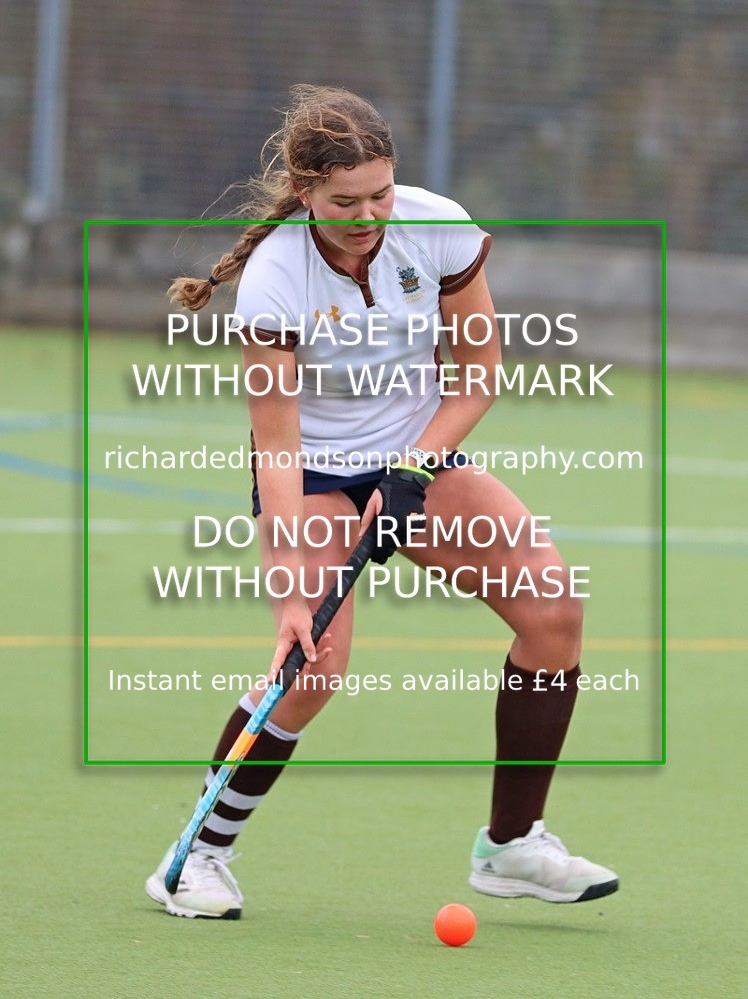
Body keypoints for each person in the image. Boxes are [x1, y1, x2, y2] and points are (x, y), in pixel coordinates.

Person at [146, 85, 618, 919]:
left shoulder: (438, 228)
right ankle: (199, 857)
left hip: (416, 455)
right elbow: (279, 444)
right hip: (317, 474)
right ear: (305, 193)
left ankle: (510, 847)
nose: (368, 216)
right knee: (313, 665)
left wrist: (414, 467)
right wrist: (295, 593)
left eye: (381, 195)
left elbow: (478, 375)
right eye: (345, 202)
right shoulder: (274, 284)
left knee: (554, 610)